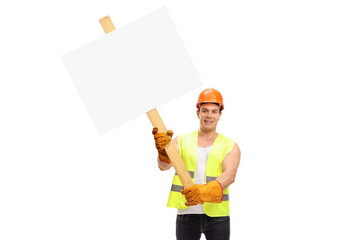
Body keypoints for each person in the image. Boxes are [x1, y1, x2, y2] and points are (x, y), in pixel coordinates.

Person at [152, 88, 241, 240]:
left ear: (220, 115)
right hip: (187, 214)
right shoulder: (181, 141)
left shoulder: (229, 145)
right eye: (205, 110)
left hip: (218, 215)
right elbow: (163, 166)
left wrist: (203, 192)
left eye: (214, 111)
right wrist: (163, 155)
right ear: (198, 113)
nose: (209, 115)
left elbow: (230, 175)